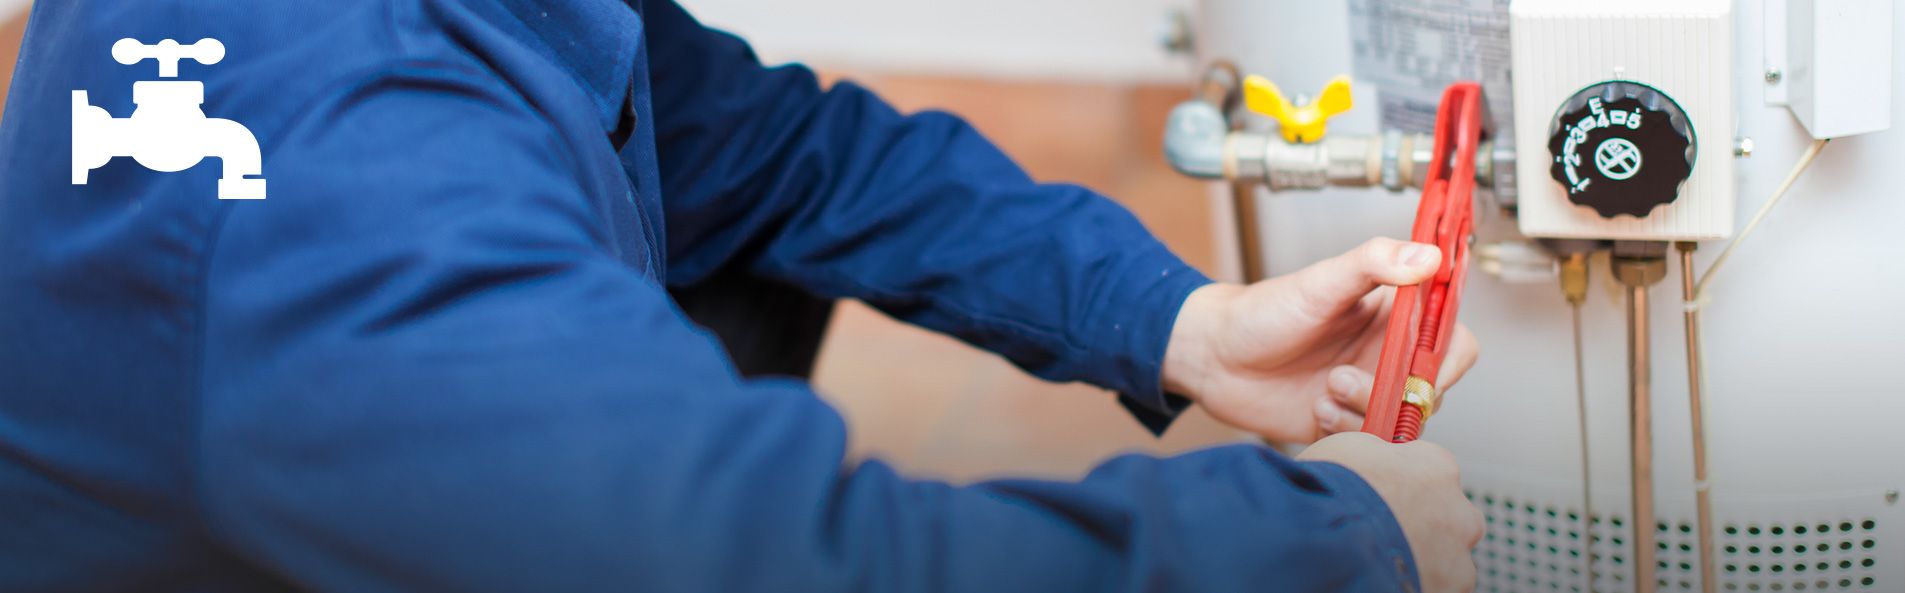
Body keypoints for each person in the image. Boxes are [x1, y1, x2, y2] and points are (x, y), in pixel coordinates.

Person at [0, 1, 1483, 592]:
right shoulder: (351, 154)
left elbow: (783, 154)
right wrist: (1332, 542)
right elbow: (787, 569)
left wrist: (1175, 321)